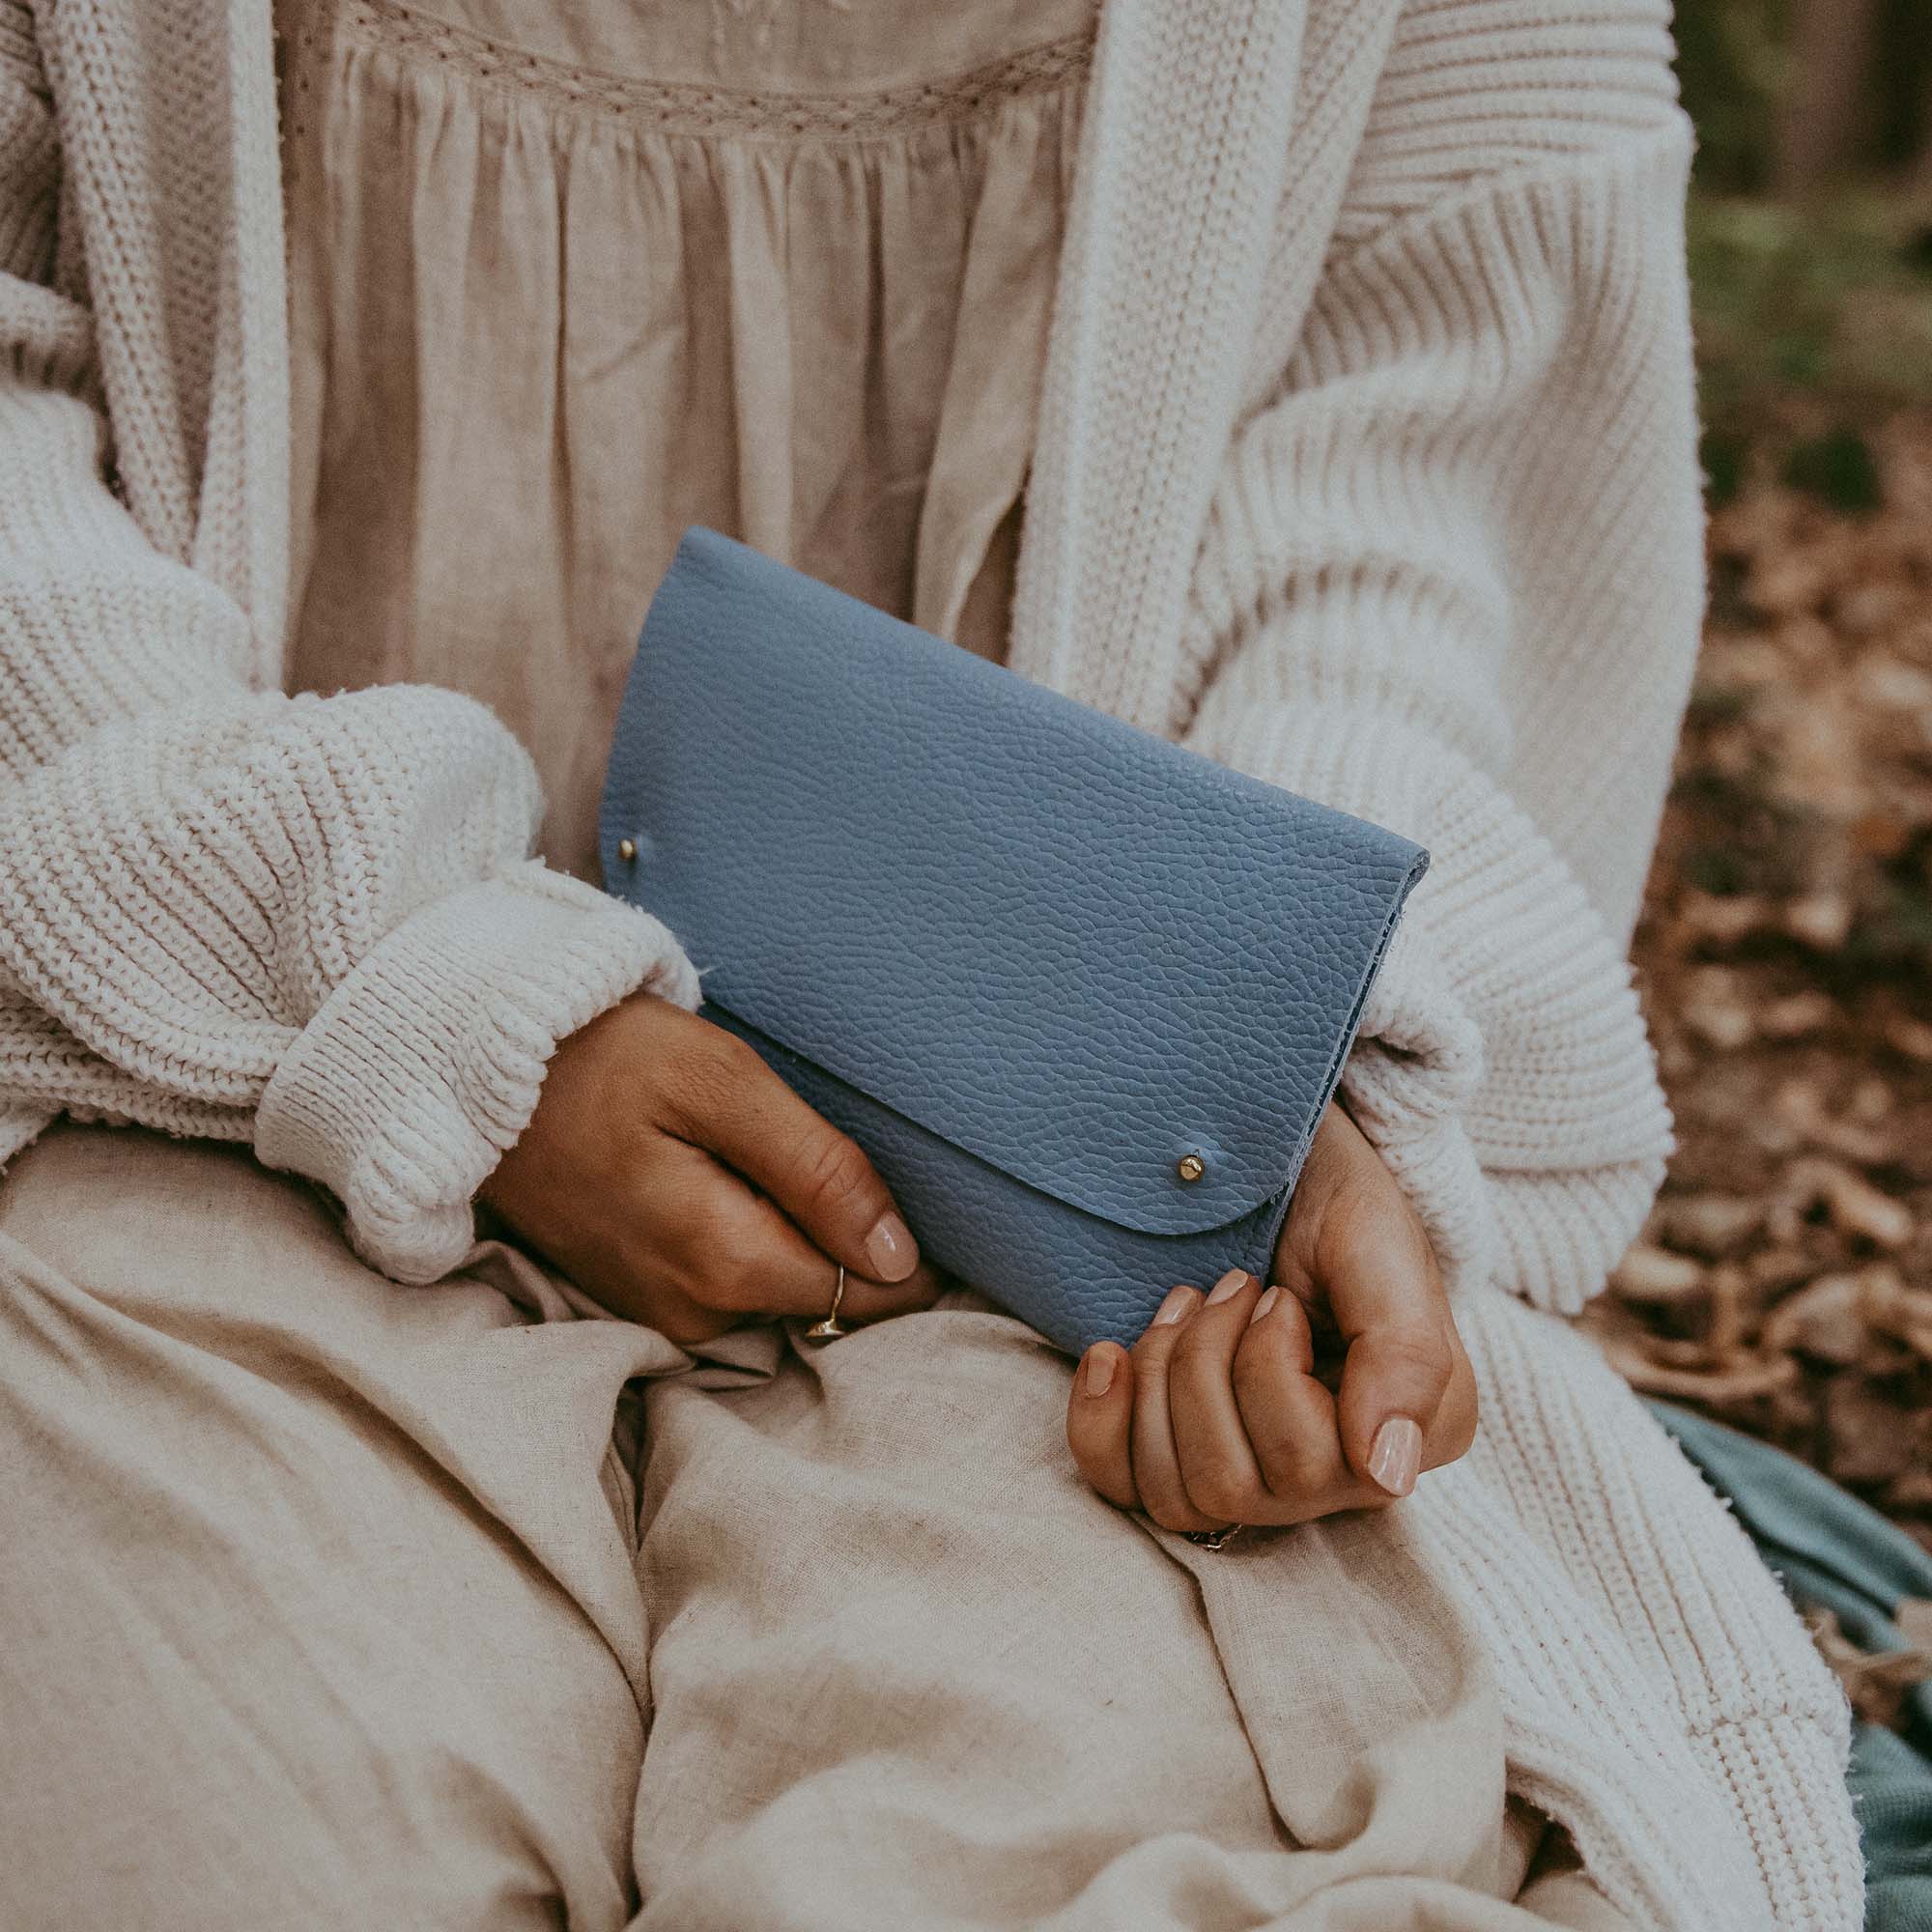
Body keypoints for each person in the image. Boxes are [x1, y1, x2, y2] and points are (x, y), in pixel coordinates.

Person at [0, 0, 1864, 1925]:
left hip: (1066, 1265)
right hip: (207, 1091)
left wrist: (1268, 1041)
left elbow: (1418, 478)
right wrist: (390, 959)